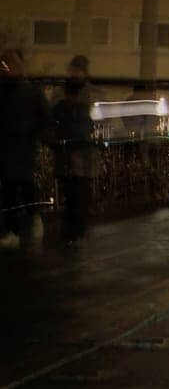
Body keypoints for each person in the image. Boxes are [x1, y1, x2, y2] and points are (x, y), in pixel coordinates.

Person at [1, 49, 51, 250]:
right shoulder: (11, 90)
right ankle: (15, 230)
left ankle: (31, 220)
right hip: (9, 148)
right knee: (10, 190)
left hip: (22, 147)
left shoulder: (30, 91)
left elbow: (44, 117)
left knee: (22, 185)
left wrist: (39, 135)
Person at [50, 55, 96, 246]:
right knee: (71, 194)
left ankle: (76, 231)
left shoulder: (88, 94)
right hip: (69, 152)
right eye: (73, 70)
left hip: (81, 153)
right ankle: (71, 231)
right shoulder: (63, 94)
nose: (75, 73)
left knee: (79, 194)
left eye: (78, 70)